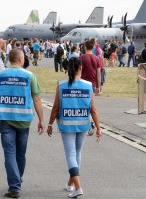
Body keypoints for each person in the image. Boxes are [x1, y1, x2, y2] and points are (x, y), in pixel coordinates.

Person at [0, 49, 44, 198]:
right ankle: (16, 181)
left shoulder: (0, 75)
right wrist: (42, 120)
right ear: (21, 59)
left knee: (9, 154)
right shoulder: (30, 76)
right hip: (24, 121)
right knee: (20, 154)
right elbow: (37, 99)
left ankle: (14, 186)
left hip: (6, 120)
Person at [47, 57, 102, 198]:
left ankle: (78, 187)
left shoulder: (61, 85)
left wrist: (50, 124)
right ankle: (70, 184)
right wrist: (99, 127)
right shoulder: (88, 85)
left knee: (71, 155)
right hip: (83, 124)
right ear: (81, 68)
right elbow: (93, 109)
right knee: (77, 154)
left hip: (67, 126)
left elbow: (55, 108)